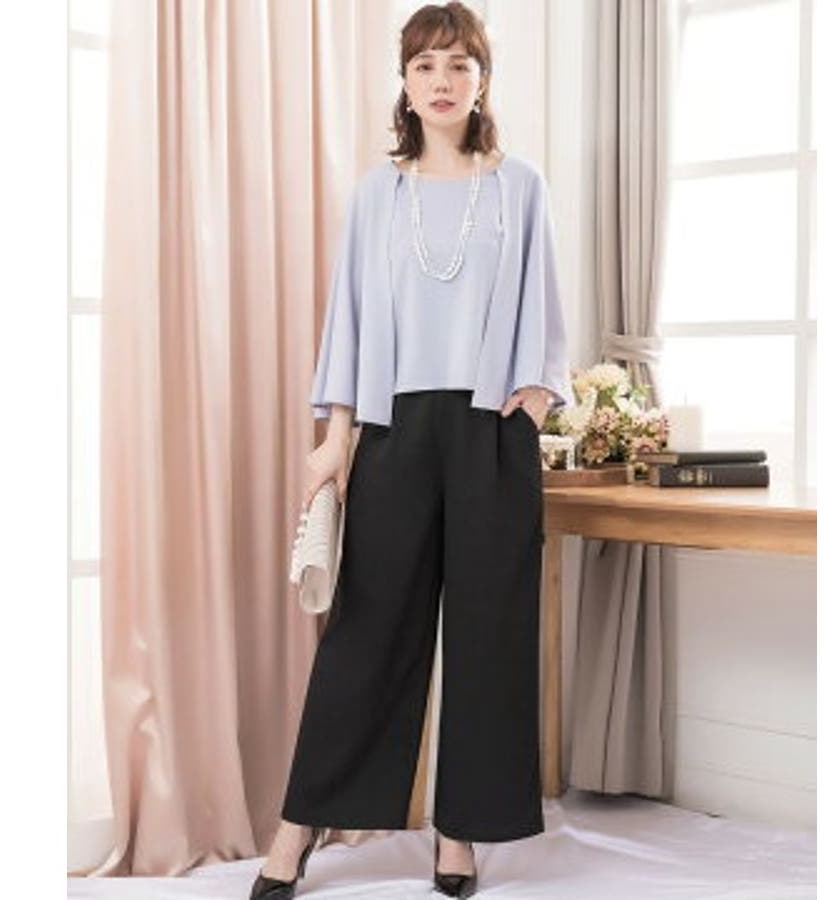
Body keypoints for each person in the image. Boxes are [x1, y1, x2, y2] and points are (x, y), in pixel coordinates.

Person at [249, 3, 573, 897]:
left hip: (490, 428)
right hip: (393, 430)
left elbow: (546, 307)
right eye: (426, 65)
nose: (442, 81)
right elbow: (348, 321)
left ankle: (459, 831)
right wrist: (334, 440)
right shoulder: (376, 194)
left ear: (482, 80)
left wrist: (535, 401)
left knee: (489, 634)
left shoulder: (520, 187)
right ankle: (299, 826)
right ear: (404, 80)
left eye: (459, 64)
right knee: (367, 633)